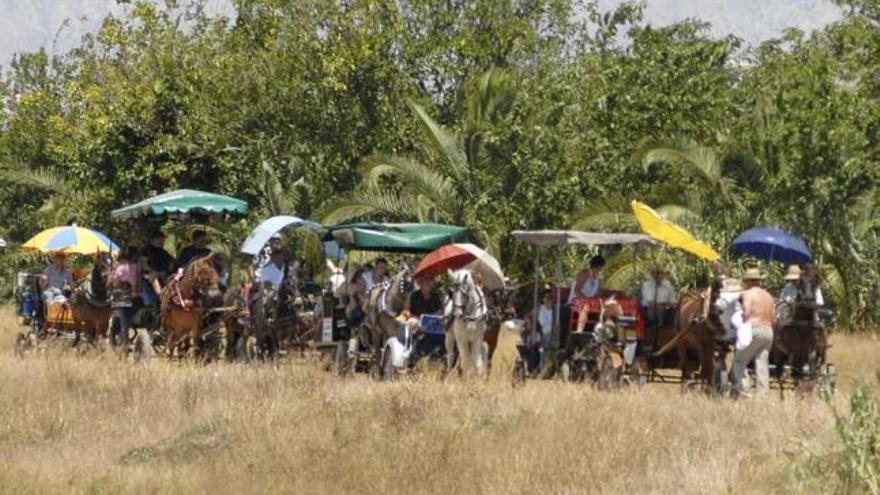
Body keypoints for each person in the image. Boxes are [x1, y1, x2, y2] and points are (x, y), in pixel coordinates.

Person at [734, 268, 775, 398]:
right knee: (762, 363)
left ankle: (744, 390)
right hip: (768, 331)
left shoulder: (748, 294)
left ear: (748, 282)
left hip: (754, 329)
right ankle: (763, 395)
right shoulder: (768, 296)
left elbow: (746, 313)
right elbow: (774, 318)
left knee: (739, 361)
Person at [109, 246, 143, 347]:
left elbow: (113, 283)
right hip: (136, 298)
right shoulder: (136, 267)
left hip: (121, 298)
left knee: (121, 316)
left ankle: (123, 338)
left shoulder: (119, 268)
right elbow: (137, 282)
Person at [407, 276, 445, 364]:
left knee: (443, 334)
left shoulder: (435, 297)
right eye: (425, 284)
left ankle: (437, 355)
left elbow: (440, 310)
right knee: (415, 325)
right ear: (420, 285)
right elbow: (408, 311)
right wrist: (415, 317)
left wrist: (437, 314)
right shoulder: (414, 296)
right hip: (417, 320)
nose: (428, 285)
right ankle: (416, 354)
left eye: (429, 283)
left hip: (432, 322)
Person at [141, 230, 175, 299]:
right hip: (150, 273)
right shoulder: (146, 250)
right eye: (161, 239)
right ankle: (160, 296)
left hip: (164, 273)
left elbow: (172, 262)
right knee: (154, 276)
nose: (163, 241)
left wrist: (169, 269)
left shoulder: (164, 252)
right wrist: (156, 271)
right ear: (155, 239)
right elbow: (144, 264)